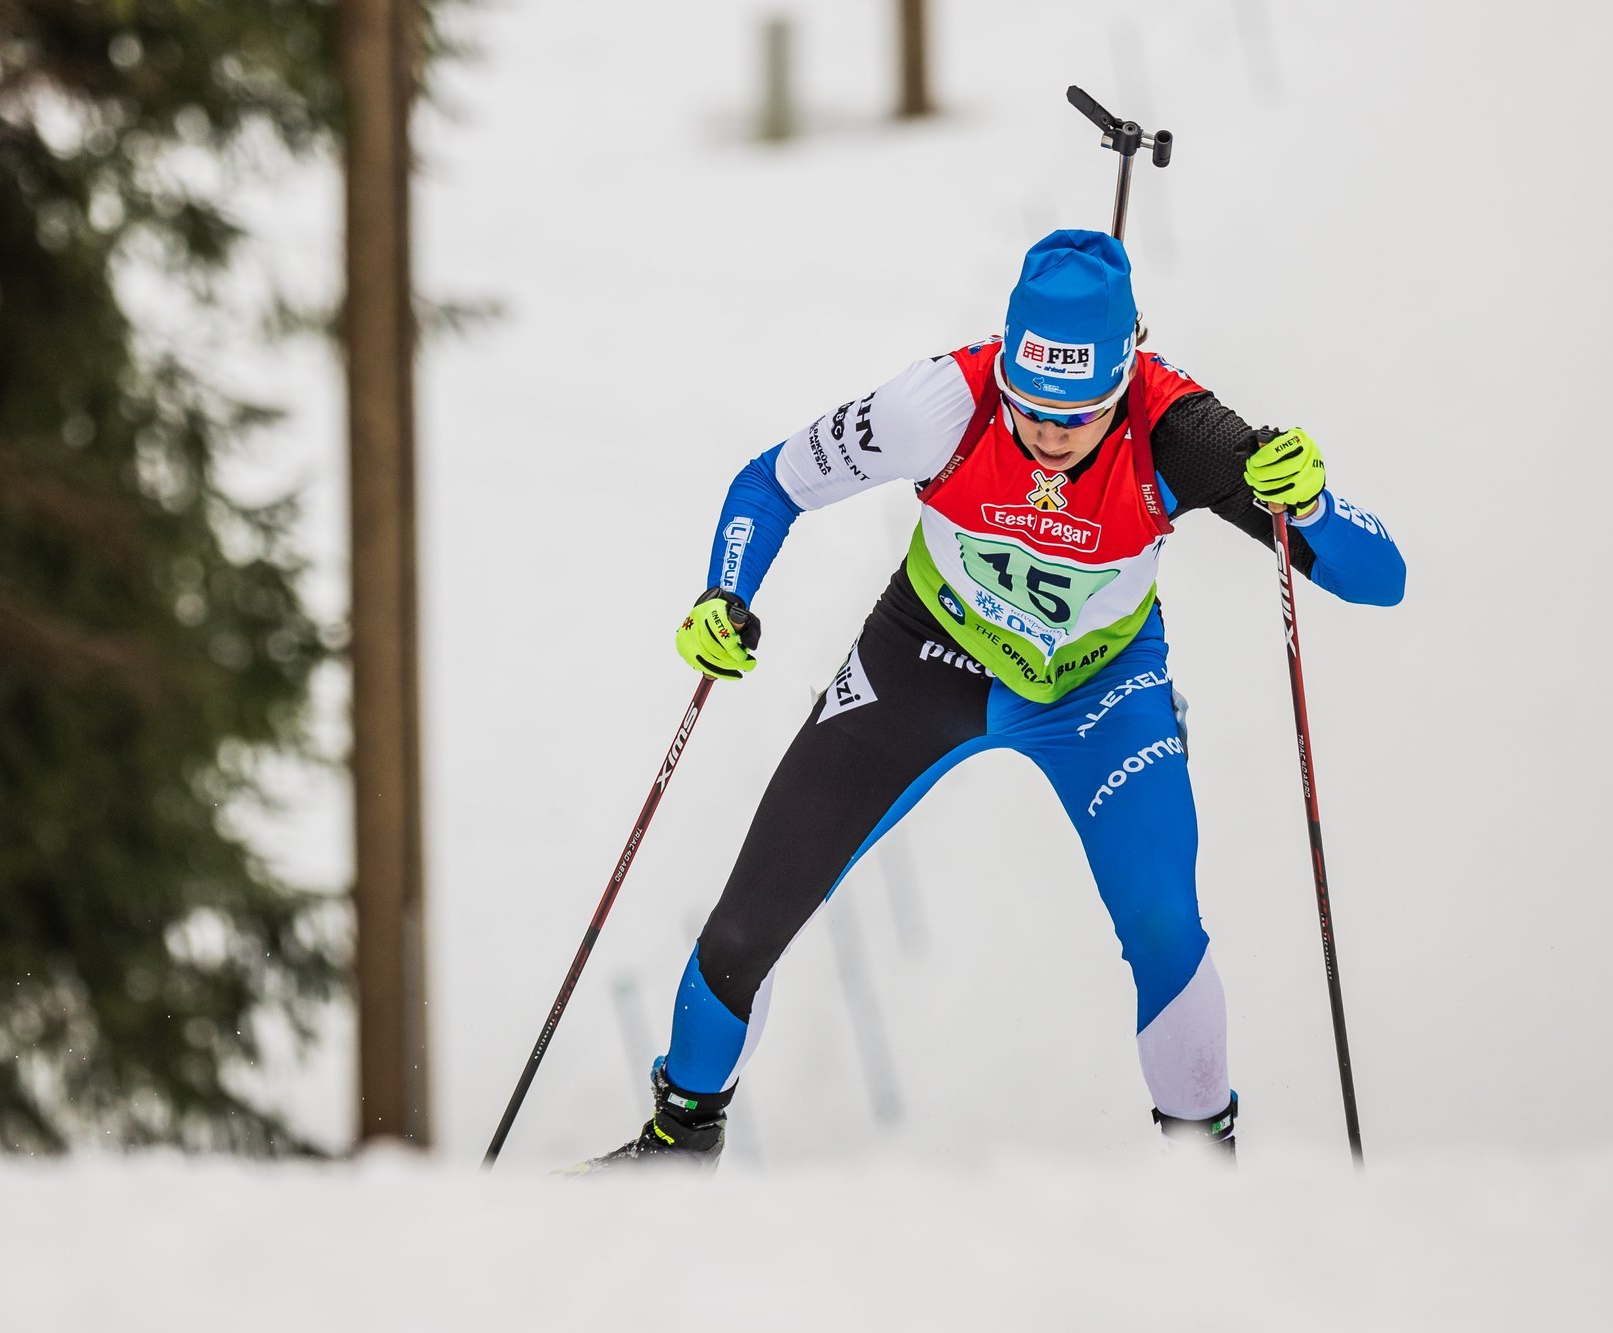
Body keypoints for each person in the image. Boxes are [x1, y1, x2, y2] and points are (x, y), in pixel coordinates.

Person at [579, 229, 1405, 1170]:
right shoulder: (940, 404)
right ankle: (676, 1141)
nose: (1052, 436)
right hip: (928, 656)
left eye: (1083, 414)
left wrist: (1318, 507)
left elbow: (1382, 580)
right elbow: (769, 485)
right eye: (1031, 408)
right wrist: (722, 596)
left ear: (1125, 379)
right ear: (1004, 366)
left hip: (1099, 690)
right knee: (750, 915)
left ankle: (1199, 1171)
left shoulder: (1183, 433)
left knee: (1165, 921)